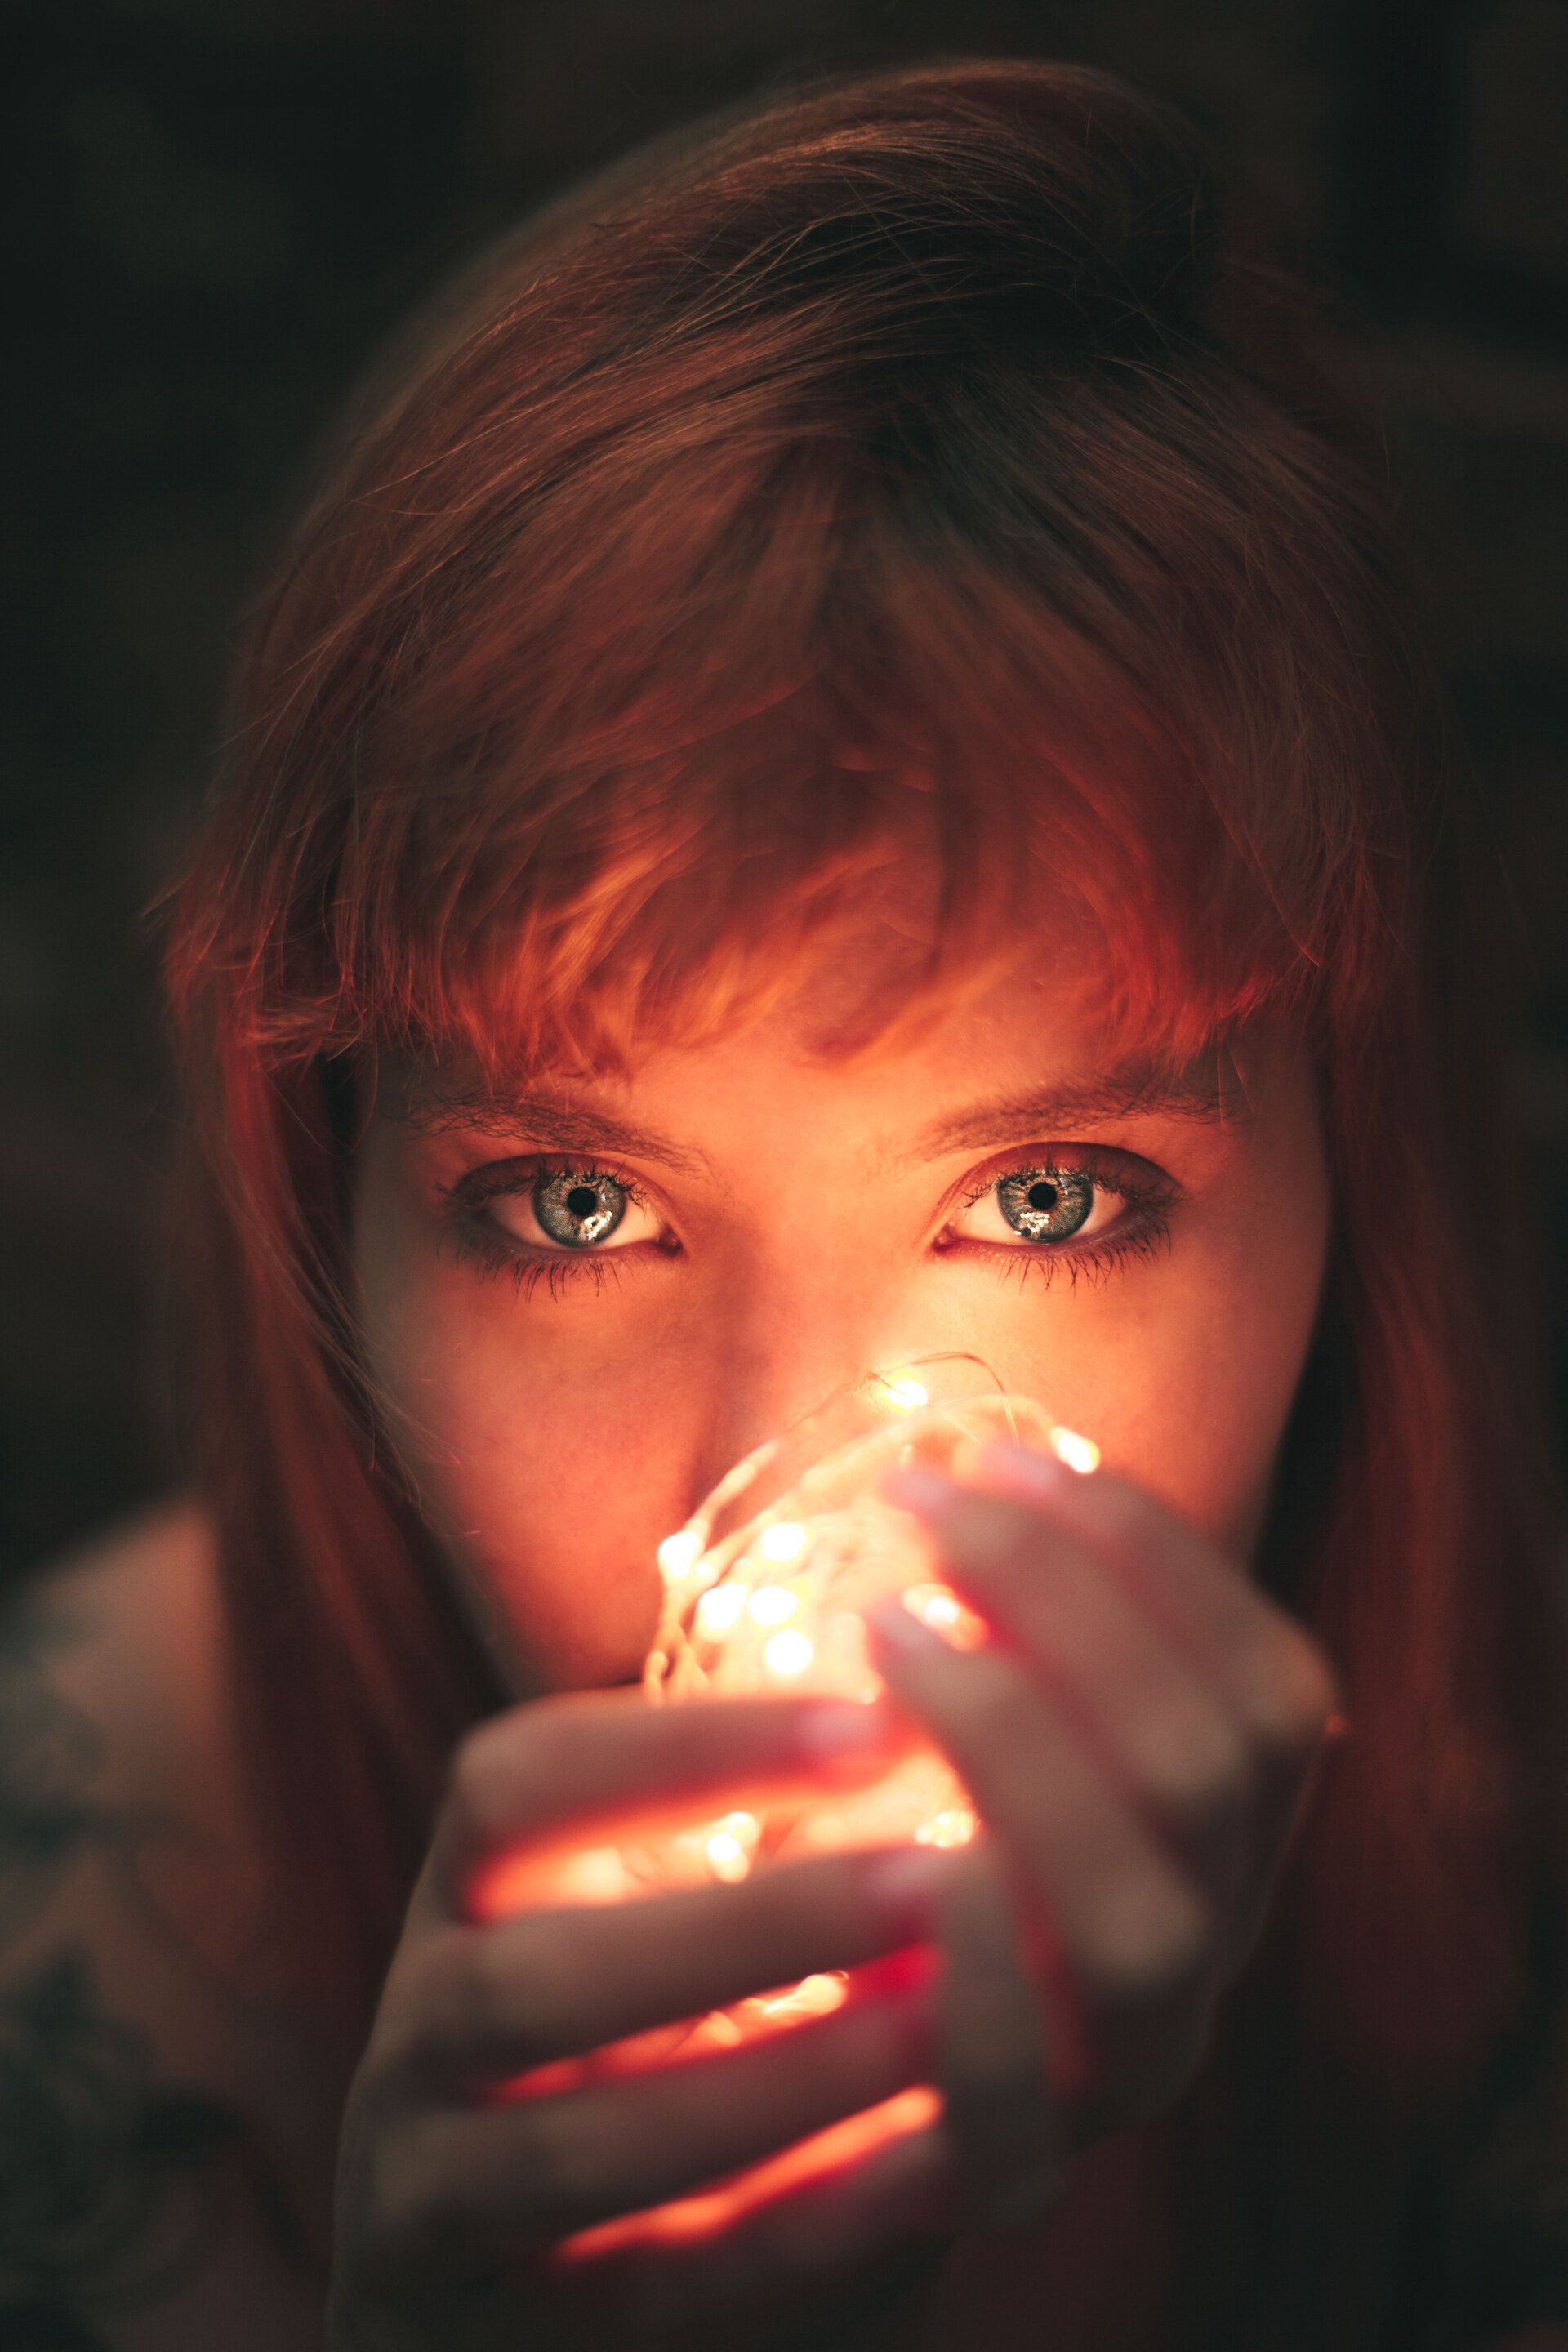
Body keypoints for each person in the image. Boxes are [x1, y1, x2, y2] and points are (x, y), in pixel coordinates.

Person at [7, 54, 1568, 2352]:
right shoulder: (85, 1920)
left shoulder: (1515, 1936)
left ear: (1358, 1204)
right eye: (568, 1206)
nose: (799, 1498)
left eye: (1049, 1195)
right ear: (320, 1207)